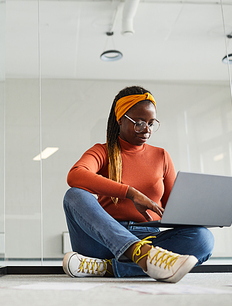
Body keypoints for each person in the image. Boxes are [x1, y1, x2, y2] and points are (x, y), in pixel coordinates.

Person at [62, 86, 214, 283]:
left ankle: (107, 268)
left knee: (203, 239)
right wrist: (131, 193)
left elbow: (172, 210)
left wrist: (198, 211)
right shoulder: (102, 151)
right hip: (102, 241)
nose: (147, 130)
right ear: (121, 120)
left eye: (151, 123)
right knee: (74, 195)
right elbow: (75, 175)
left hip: (149, 238)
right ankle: (140, 256)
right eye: (139, 123)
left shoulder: (161, 156)